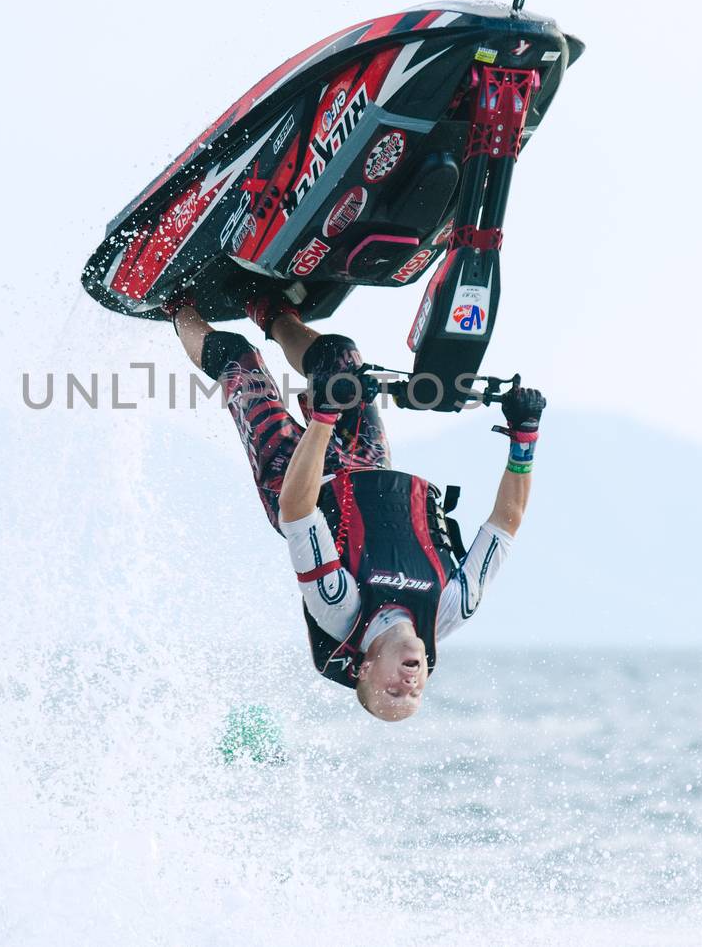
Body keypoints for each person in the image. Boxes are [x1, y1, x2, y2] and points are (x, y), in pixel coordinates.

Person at [170, 292, 545, 722]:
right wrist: (524, 438)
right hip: (366, 465)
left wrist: (324, 417)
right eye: (415, 696)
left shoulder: (341, 608)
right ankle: (268, 307)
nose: (409, 686)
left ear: (364, 667)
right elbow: (506, 524)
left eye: (391, 691)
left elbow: (297, 510)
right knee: (339, 356)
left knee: (237, 358)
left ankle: (173, 302)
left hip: (293, 480)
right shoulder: (452, 606)